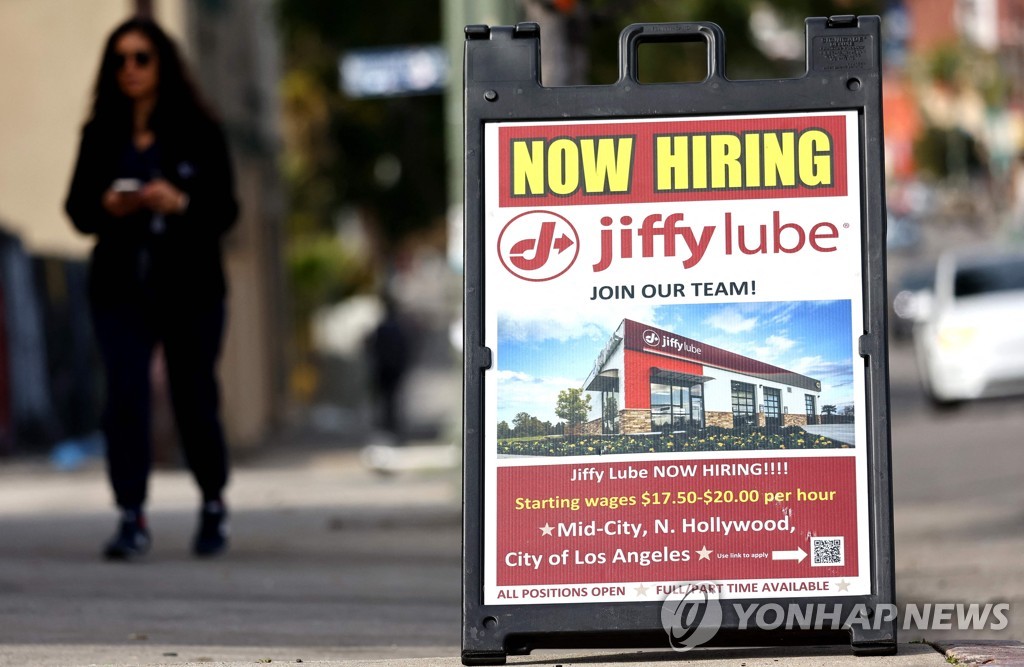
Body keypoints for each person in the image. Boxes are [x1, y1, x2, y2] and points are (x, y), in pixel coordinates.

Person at [65, 17, 238, 559]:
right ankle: (130, 514)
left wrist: (179, 202)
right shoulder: (100, 134)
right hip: (120, 288)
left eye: (141, 57)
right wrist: (106, 206)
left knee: (194, 398)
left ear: (162, 63)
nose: (130, 69)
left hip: (190, 288)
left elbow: (226, 210)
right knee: (125, 399)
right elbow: (76, 209)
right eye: (119, 60)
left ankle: (212, 503)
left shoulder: (199, 130)